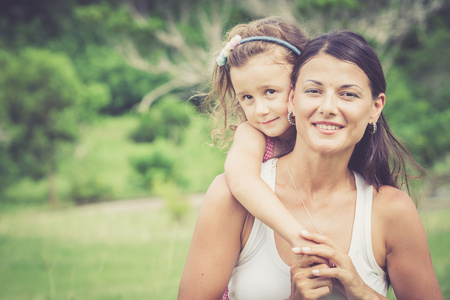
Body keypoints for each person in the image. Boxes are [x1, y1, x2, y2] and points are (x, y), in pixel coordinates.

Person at [179, 28, 443, 299]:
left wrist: (362, 292)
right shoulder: (232, 194)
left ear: (375, 108)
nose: (328, 107)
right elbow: (241, 179)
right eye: (314, 90)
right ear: (293, 99)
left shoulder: (392, 211)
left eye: (348, 94)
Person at [205, 17, 312, 253]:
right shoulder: (252, 134)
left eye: (270, 91)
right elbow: (242, 181)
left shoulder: (321, 130)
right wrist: (299, 237)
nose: (260, 110)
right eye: (247, 97)